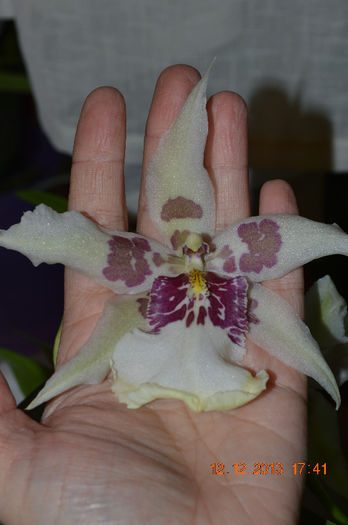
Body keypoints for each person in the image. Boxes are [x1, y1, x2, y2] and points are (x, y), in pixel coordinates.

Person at [0, 65, 305, 524]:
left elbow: (289, 298)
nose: (196, 260)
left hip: (205, 293)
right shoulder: (150, 269)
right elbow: (73, 243)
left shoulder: (232, 281)